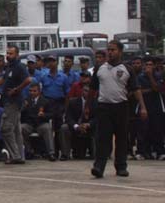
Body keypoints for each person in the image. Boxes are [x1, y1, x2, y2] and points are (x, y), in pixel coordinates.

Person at [90, 40, 147, 178]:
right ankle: (99, 167)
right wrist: (88, 106)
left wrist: (143, 107)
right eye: (108, 50)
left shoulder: (127, 69)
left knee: (121, 138)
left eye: (113, 50)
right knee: (102, 138)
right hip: (104, 107)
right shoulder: (100, 68)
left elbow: (136, 89)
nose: (110, 52)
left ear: (120, 52)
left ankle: (121, 167)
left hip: (121, 107)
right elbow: (92, 89)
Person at [0, 45, 32, 165]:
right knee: (16, 130)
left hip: (14, 101)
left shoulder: (19, 66)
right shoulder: (9, 66)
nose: (8, 56)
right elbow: (3, 79)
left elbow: (28, 80)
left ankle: (15, 155)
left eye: (11, 54)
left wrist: (16, 90)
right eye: (7, 53)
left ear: (17, 55)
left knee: (6, 129)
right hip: (8, 101)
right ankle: (20, 156)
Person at [37, 55, 69, 158]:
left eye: (53, 61)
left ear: (57, 62)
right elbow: (40, 93)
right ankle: (51, 152)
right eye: (49, 61)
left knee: (59, 129)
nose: (51, 63)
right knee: (48, 129)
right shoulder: (43, 76)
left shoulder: (63, 77)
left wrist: (65, 108)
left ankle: (62, 153)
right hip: (48, 104)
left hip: (59, 104)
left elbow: (67, 94)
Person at [134, 57, 163, 160]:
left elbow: (157, 88)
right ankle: (141, 151)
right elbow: (138, 91)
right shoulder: (140, 77)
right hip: (143, 106)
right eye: (146, 65)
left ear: (154, 66)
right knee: (143, 129)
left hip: (156, 106)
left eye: (150, 65)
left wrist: (150, 76)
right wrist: (150, 90)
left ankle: (159, 151)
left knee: (157, 129)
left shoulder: (158, 76)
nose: (148, 67)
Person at [20, 83, 56, 161]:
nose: (32, 93)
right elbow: (20, 112)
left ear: (39, 91)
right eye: (30, 91)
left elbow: (52, 114)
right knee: (21, 128)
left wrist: (44, 115)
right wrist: (23, 107)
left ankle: (51, 153)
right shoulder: (26, 100)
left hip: (41, 123)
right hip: (29, 124)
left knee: (47, 128)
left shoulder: (45, 101)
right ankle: (28, 151)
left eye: (34, 91)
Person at [62, 84, 96, 160]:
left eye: (89, 91)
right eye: (85, 91)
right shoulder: (73, 102)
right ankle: (65, 154)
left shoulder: (96, 103)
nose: (87, 93)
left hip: (89, 127)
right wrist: (76, 126)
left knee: (100, 127)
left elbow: (97, 118)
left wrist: (88, 124)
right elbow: (68, 117)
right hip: (76, 126)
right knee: (64, 128)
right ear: (82, 91)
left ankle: (96, 153)